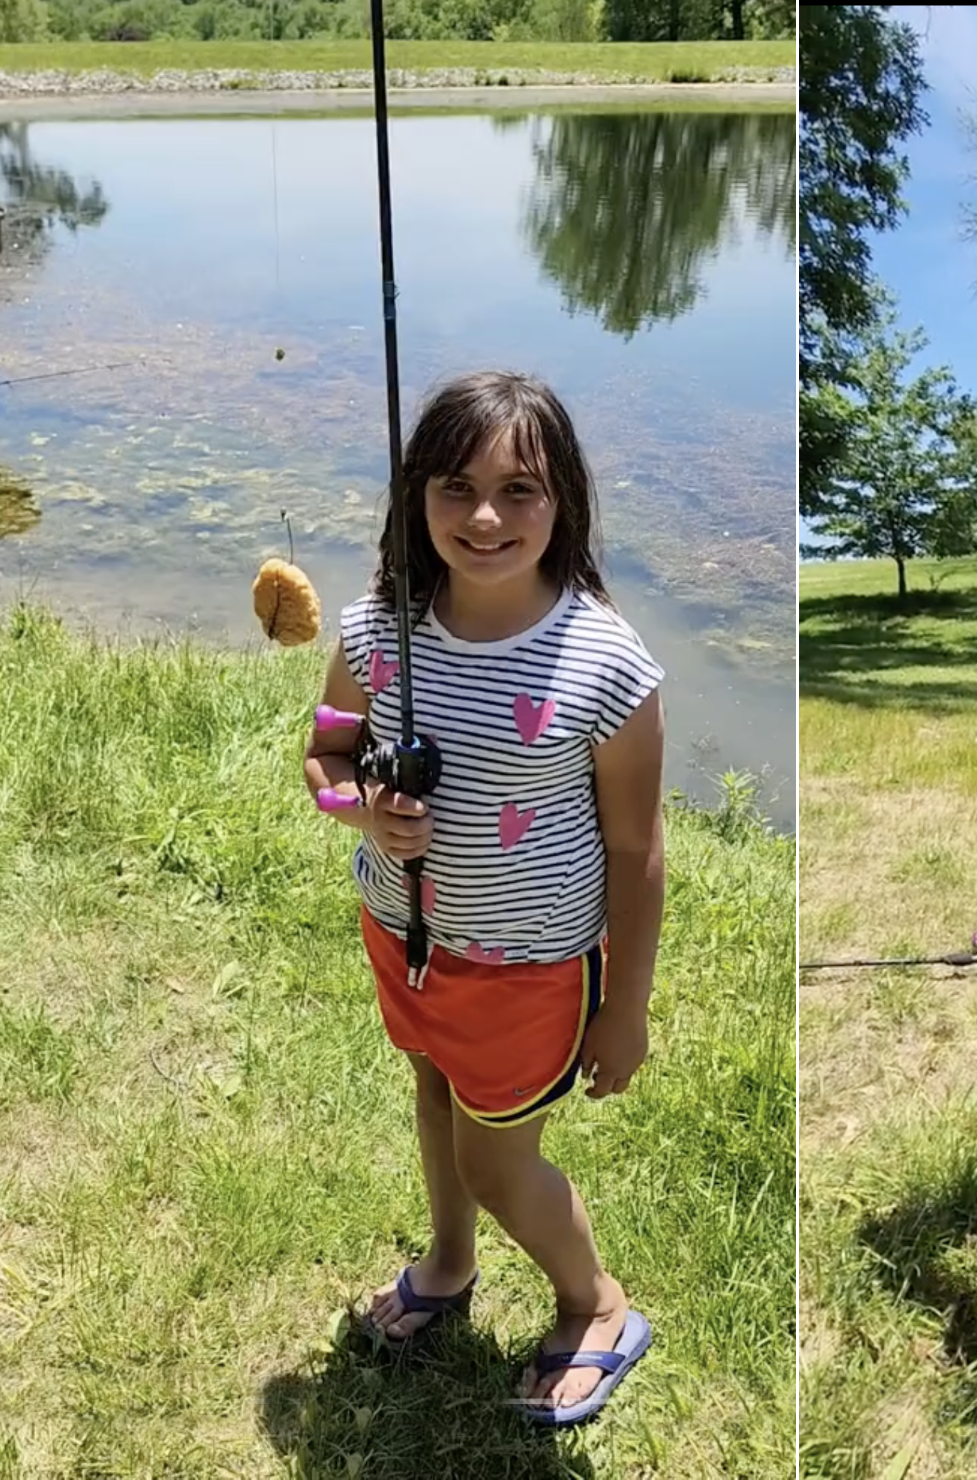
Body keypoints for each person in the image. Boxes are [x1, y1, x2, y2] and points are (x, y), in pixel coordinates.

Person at [305, 368, 668, 1426]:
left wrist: (626, 1007)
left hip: (532, 968)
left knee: (497, 1156)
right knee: (433, 1090)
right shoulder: (381, 625)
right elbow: (324, 761)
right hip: (407, 937)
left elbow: (637, 852)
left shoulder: (607, 664)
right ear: (416, 496)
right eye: (454, 487)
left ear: (566, 504)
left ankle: (594, 1302)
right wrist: (363, 812)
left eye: (521, 490)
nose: (485, 517)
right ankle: (452, 1262)